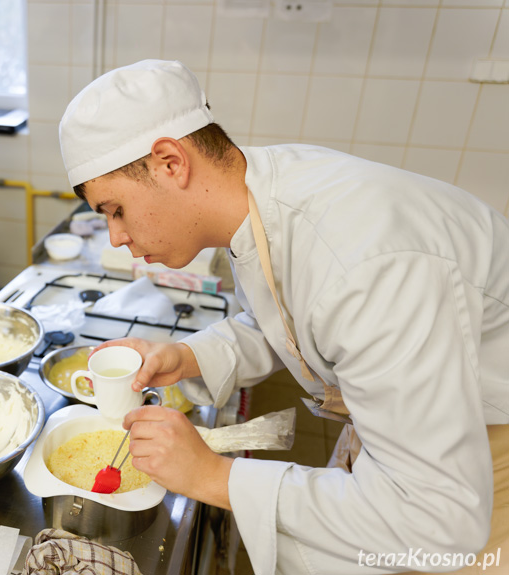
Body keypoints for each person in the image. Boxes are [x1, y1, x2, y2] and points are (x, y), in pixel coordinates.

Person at [58, 59, 508, 574]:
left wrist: (212, 476)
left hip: (487, 444)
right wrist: (186, 357)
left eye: (115, 210)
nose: (116, 237)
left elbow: (439, 522)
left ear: (169, 162)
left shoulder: (365, 264)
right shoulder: (264, 197)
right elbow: (297, 323)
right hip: (412, 426)